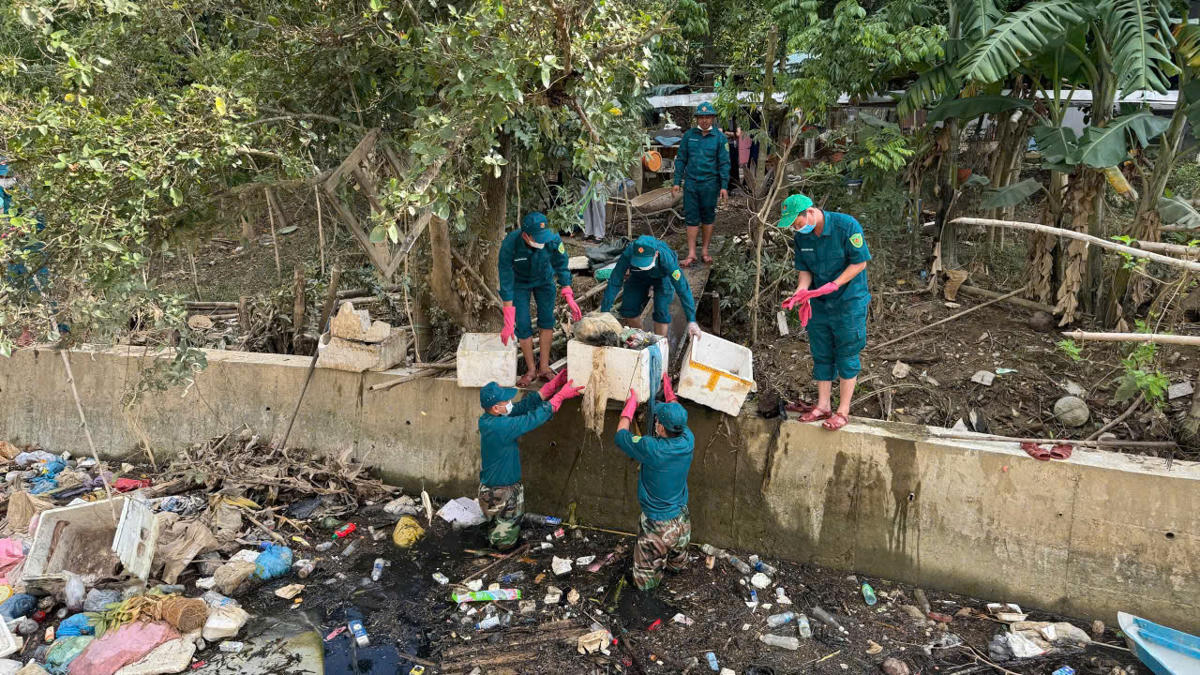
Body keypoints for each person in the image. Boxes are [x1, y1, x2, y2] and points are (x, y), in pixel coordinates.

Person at [777, 193, 871, 431]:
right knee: (821, 353)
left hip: (849, 302)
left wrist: (835, 284)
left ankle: (843, 411)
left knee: (847, 354)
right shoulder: (802, 238)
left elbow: (860, 262)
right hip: (819, 304)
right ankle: (823, 406)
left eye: (797, 223)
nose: (797, 229)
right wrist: (801, 291)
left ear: (809, 212)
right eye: (793, 227)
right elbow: (805, 270)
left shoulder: (846, 225)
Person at [477, 373, 584, 549]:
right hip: (502, 493)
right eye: (505, 401)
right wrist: (559, 397)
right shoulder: (501, 427)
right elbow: (531, 419)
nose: (510, 403)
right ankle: (500, 544)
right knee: (505, 543)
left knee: (504, 524)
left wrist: (550, 387)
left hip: (491, 489)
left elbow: (522, 407)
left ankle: (498, 527)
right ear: (496, 408)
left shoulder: (490, 419)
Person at [613, 374, 694, 590]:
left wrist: (629, 408)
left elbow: (621, 436)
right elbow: (676, 412)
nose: (656, 422)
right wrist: (669, 391)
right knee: (677, 558)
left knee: (644, 584)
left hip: (657, 526)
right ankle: (676, 565)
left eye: (658, 421)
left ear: (660, 428)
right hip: (681, 520)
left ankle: (649, 588)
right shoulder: (688, 439)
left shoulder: (652, 448)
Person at [499, 212, 583, 386]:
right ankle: (530, 370)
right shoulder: (510, 244)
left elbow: (561, 263)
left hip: (544, 280)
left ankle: (544, 367)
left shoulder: (551, 239)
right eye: (537, 238)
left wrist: (567, 290)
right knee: (522, 324)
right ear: (525, 235)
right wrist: (508, 318)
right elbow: (506, 279)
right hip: (520, 284)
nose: (542, 241)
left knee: (546, 321)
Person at [600, 234, 701, 339]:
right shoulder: (629, 253)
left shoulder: (667, 259)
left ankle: (660, 343)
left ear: (656, 254)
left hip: (662, 277)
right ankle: (641, 340)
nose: (642, 265)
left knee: (661, 309)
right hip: (638, 277)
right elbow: (615, 281)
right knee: (628, 307)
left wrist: (691, 320)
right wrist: (604, 312)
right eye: (639, 262)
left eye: (645, 263)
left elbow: (683, 288)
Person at [672, 101, 730, 267]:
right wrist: (677, 181)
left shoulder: (720, 138)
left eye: (707, 117)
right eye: (701, 117)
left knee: (708, 216)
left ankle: (704, 251)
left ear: (712, 118)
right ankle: (691, 253)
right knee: (691, 217)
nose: (704, 120)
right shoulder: (689, 136)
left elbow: (724, 163)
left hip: (710, 184)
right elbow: (681, 159)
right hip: (691, 183)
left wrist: (724, 186)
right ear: (697, 119)